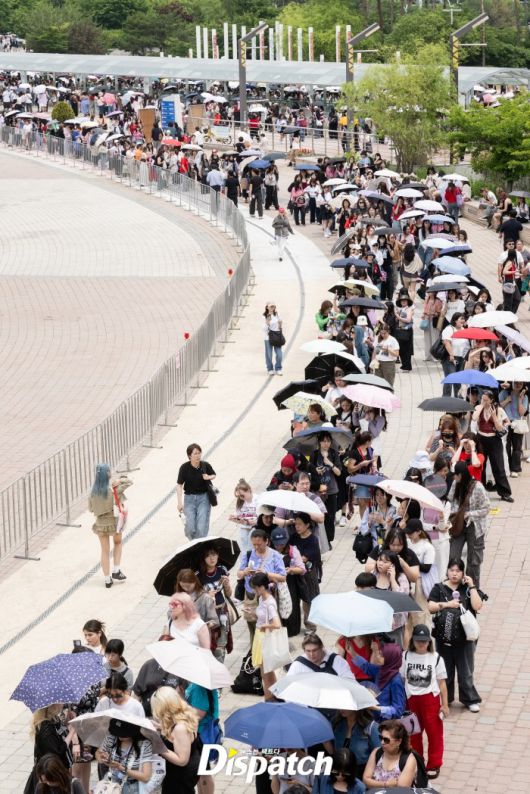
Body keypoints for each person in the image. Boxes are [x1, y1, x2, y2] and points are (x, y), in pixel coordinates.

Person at [428, 559, 483, 713]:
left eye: (458, 571)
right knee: (445, 670)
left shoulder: (467, 588)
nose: (454, 574)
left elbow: (478, 606)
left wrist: (472, 586)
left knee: (466, 671)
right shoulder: (439, 588)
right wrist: (447, 604)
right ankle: (447, 699)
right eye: (452, 570)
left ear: (463, 573)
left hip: (465, 638)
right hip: (443, 637)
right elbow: (430, 607)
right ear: (447, 571)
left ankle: (470, 699)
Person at [400, 624, 449, 780]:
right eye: (418, 640)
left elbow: (442, 683)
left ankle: (434, 764)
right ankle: (417, 761)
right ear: (413, 641)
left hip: (430, 700)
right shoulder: (405, 656)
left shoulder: (436, 658)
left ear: (429, 641)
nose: (421, 643)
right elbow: (402, 679)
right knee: (413, 734)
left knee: (434, 734)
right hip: (411, 700)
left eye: (424, 640)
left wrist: (445, 704)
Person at [446, 461, 490, 589]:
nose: (454, 477)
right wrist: (455, 514)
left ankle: (473, 589)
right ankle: (454, 587)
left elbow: (486, 508)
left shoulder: (478, 487)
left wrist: (469, 514)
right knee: (453, 556)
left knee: (474, 561)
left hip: (475, 527)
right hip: (458, 526)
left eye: (456, 475)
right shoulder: (456, 484)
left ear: (461, 475)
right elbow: (451, 500)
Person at [237, 529, 287, 640]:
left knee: (267, 623)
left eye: (259, 544)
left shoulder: (275, 555)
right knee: (252, 624)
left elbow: (283, 577)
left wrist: (266, 574)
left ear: (266, 541)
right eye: (254, 544)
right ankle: (254, 646)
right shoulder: (248, 554)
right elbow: (239, 574)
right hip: (251, 594)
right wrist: (245, 572)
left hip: (267, 595)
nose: (256, 547)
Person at [151, 687, 202, 794]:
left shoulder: (180, 728)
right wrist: (160, 727)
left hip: (178, 779)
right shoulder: (185, 715)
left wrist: (158, 746)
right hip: (183, 775)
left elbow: (182, 760)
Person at [89, 464, 131, 588]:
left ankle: (107, 580)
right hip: (114, 523)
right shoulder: (113, 489)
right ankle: (116, 570)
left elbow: (91, 509)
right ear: (107, 474)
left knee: (104, 551)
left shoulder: (93, 493)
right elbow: (129, 481)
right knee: (118, 543)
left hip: (100, 524)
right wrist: (120, 480)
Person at [472, 390, 513, 502]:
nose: (483, 401)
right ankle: (480, 491)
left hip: (494, 440)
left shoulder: (498, 410)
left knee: (498, 466)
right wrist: (481, 406)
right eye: (482, 399)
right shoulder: (478, 408)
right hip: (481, 439)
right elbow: (474, 418)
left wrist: (494, 416)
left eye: (486, 400)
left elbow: (501, 427)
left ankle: (504, 493)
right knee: (480, 466)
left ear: (491, 400)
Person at [25, 705, 75, 794]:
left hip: (54, 771)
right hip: (50, 776)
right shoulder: (45, 727)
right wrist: (72, 732)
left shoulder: (53, 719)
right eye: (59, 701)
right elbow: (58, 751)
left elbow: (59, 737)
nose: (62, 703)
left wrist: (68, 723)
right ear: (52, 706)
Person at [197, 543, 233, 661]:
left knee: (221, 643)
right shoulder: (198, 575)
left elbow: (228, 594)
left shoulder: (222, 570)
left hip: (222, 611)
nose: (211, 558)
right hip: (207, 614)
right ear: (203, 558)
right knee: (207, 643)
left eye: (214, 554)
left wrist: (227, 585)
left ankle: (219, 666)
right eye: (208, 556)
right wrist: (207, 596)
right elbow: (195, 598)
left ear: (218, 555)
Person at [250, 571, 283, 699]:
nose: (254, 590)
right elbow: (263, 617)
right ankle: (273, 697)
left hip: (265, 638)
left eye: (255, 588)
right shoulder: (261, 599)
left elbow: (277, 624)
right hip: (260, 636)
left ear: (262, 587)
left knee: (266, 673)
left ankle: (270, 699)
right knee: (266, 673)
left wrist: (265, 626)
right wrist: (253, 614)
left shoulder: (270, 603)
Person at [270, 526, 306, 637]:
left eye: (281, 544)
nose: (279, 547)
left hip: (290, 583)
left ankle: (292, 631)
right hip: (273, 584)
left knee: (292, 605)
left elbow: (302, 569)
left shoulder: (293, 551)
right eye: (276, 544)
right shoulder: (269, 552)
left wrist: (291, 570)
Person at [308, 431, 342, 544]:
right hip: (318, 490)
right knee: (319, 515)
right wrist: (316, 470)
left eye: (328, 441)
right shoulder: (314, 454)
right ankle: (319, 539)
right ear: (319, 442)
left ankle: (328, 540)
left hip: (331, 490)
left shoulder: (334, 453)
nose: (326, 443)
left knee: (330, 516)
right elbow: (309, 468)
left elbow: (339, 472)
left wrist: (329, 463)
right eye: (324, 441)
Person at [363, 720, 417, 788]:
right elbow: (365, 780)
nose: (382, 742)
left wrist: (374, 783)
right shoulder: (376, 752)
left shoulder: (409, 759)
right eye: (381, 738)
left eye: (386, 740)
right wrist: (386, 784)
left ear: (398, 741)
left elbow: (402, 789)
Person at [332, 710, 381, 779]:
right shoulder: (336, 723)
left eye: (347, 705)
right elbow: (333, 751)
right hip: (339, 774)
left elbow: (379, 755)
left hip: (361, 775)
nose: (342, 708)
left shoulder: (371, 727)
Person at [287, 632, 355, 678]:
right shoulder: (298, 664)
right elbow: (288, 684)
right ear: (304, 650)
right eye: (308, 651)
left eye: (315, 650)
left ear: (321, 647)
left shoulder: (337, 660)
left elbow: (349, 681)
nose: (311, 654)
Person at [499, 381, 529, 476]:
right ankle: (507, 467)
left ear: (523, 384)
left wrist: (520, 400)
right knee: (506, 446)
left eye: (520, 383)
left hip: (518, 423)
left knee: (517, 447)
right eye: (516, 383)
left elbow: (522, 413)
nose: (518, 385)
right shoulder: (504, 393)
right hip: (505, 423)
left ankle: (515, 469)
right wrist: (507, 400)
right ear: (512, 382)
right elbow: (499, 407)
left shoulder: (525, 397)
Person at [441, 313, 469, 397]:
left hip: (461, 358)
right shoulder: (449, 329)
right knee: (450, 379)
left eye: (464, 319)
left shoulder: (464, 330)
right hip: (450, 358)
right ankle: (446, 398)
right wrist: (451, 355)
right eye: (461, 318)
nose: (463, 320)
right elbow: (447, 342)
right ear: (455, 320)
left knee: (458, 380)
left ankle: (458, 399)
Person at [228, 478, 258, 554]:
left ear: (248, 490)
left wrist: (255, 521)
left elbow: (261, 516)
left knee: (251, 547)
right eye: (239, 496)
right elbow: (237, 514)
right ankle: (245, 559)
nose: (241, 498)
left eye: (242, 495)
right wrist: (234, 517)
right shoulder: (241, 501)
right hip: (244, 527)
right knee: (243, 548)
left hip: (254, 527)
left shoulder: (257, 499)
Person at [395, 289, 414, 373]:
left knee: (406, 349)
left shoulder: (409, 309)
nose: (403, 302)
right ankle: (404, 366)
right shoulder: (401, 309)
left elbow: (408, 320)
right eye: (402, 301)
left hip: (406, 331)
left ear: (407, 301)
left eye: (405, 301)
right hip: (401, 330)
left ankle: (407, 366)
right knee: (401, 349)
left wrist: (398, 317)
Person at [263, 302, 284, 375]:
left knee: (279, 354)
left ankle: (278, 368)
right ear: (267, 307)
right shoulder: (264, 316)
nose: (272, 308)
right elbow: (264, 329)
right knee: (269, 354)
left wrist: (280, 324)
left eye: (273, 306)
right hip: (268, 337)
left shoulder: (277, 315)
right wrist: (267, 322)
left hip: (277, 337)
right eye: (270, 306)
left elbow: (280, 327)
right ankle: (270, 368)